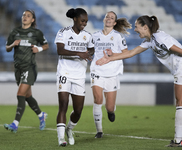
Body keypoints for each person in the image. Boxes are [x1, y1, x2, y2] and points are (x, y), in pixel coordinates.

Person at [96, 15, 182, 147]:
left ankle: (178, 141)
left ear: (145, 27)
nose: (135, 29)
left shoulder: (158, 37)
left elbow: (176, 49)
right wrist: (112, 57)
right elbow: (131, 53)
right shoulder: (150, 40)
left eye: (136, 26)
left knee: (180, 103)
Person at [4, 10, 49, 133]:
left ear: (32, 20)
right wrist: (13, 44)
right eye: (24, 15)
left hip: (30, 67)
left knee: (20, 94)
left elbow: (46, 45)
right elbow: (7, 48)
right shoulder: (15, 32)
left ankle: (15, 124)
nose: (25, 17)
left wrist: (38, 49)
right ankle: (41, 115)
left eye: (28, 16)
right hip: (18, 68)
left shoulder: (36, 33)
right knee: (28, 96)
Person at [55, 8, 94, 146]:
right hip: (64, 73)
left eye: (86, 21)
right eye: (83, 20)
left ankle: (69, 129)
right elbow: (60, 50)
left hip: (79, 76)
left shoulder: (88, 36)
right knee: (63, 105)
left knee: (78, 111)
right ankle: (61, 139)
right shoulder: (63, 32)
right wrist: (79, 53)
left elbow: (91, 49)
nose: (85, 23)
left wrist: (89, 53)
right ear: (75, 19)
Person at [90, 11, 132, 138]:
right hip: (97, 71)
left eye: (111, 17)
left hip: (112, 73)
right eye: (107, 16)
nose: (108, 18)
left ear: (114, 23)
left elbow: (126, 53)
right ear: (104, 20)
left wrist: (112, 55)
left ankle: (110, 111)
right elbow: (89, 50)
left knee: (109, 107)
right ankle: (99, 131)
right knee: (98, 100)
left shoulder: (118, 37)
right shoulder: (95, 35)